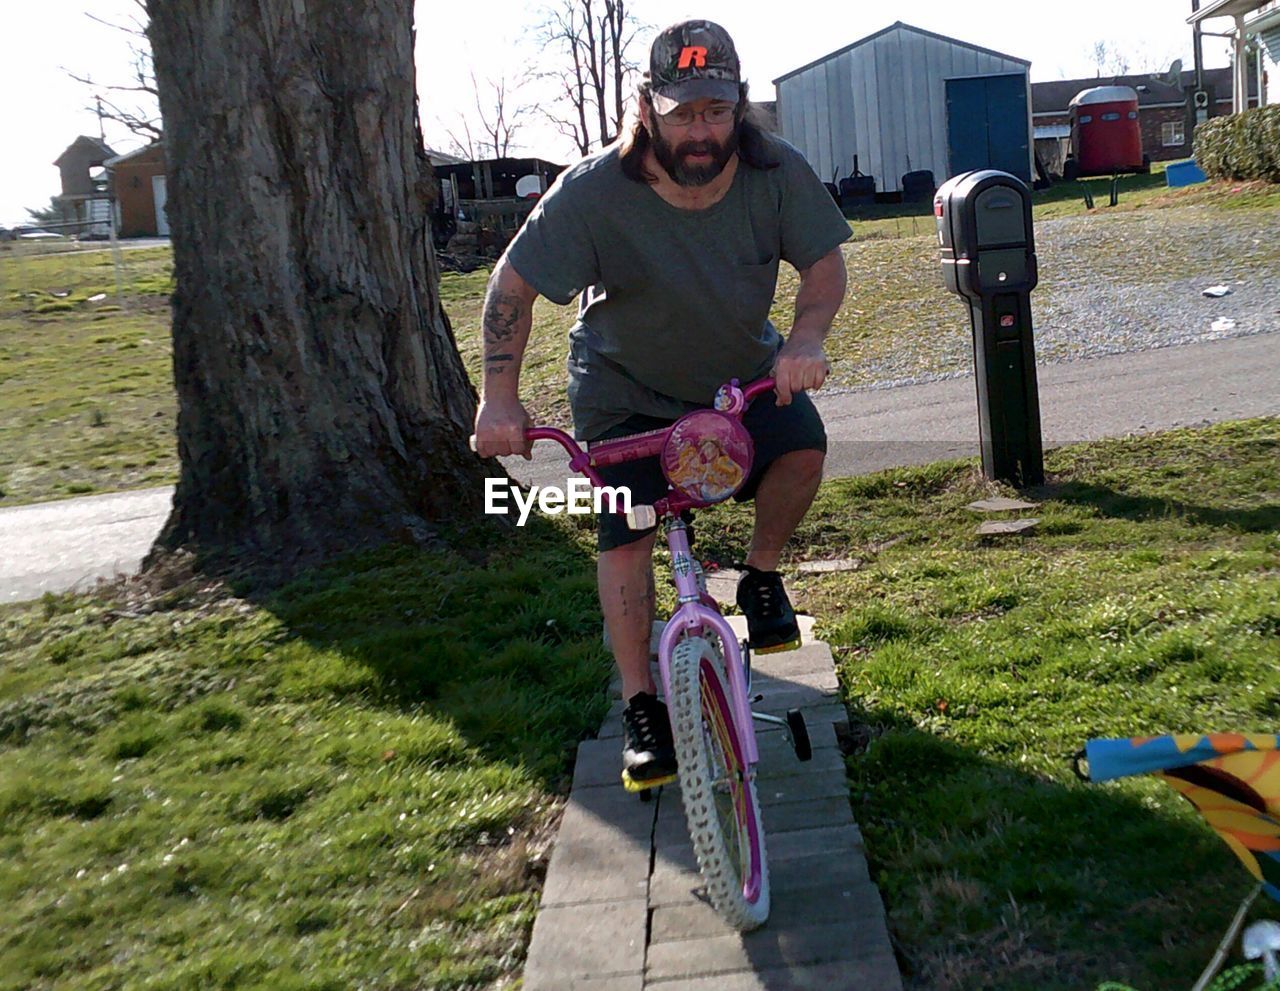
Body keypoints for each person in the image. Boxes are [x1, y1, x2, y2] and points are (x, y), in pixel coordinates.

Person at [472, 19, 851, 790]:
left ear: (738, 105)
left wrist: (805, 338)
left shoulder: (775, 172)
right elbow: (512, 285)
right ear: (647, 108)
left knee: (803, 448)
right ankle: (643, 706)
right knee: (627, 535)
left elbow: (823, 263)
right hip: (623, 392)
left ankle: (761, 576)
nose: (701, 130)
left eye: (715, 110)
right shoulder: (595, 190)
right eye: (683, 112)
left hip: (737, 379)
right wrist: (498, 398)